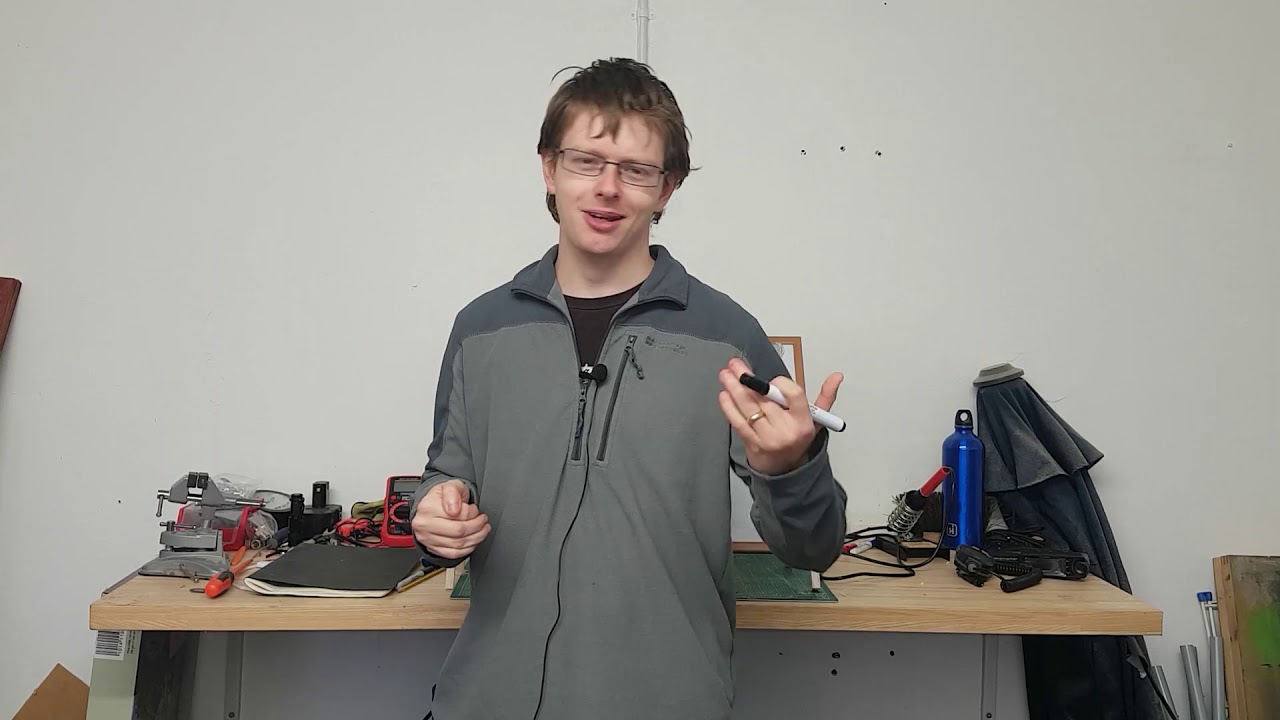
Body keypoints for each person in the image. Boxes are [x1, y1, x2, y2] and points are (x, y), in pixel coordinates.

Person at [410, 57, 848, 720]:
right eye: (585, 161)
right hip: (487, 698)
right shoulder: (480, 330)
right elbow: (447, 473)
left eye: (637, 170)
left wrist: (791, 467)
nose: (607, 188)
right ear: (549, 168)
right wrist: (434, 513)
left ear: (667, 188)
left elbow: (813, 550)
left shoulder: (727, 338)